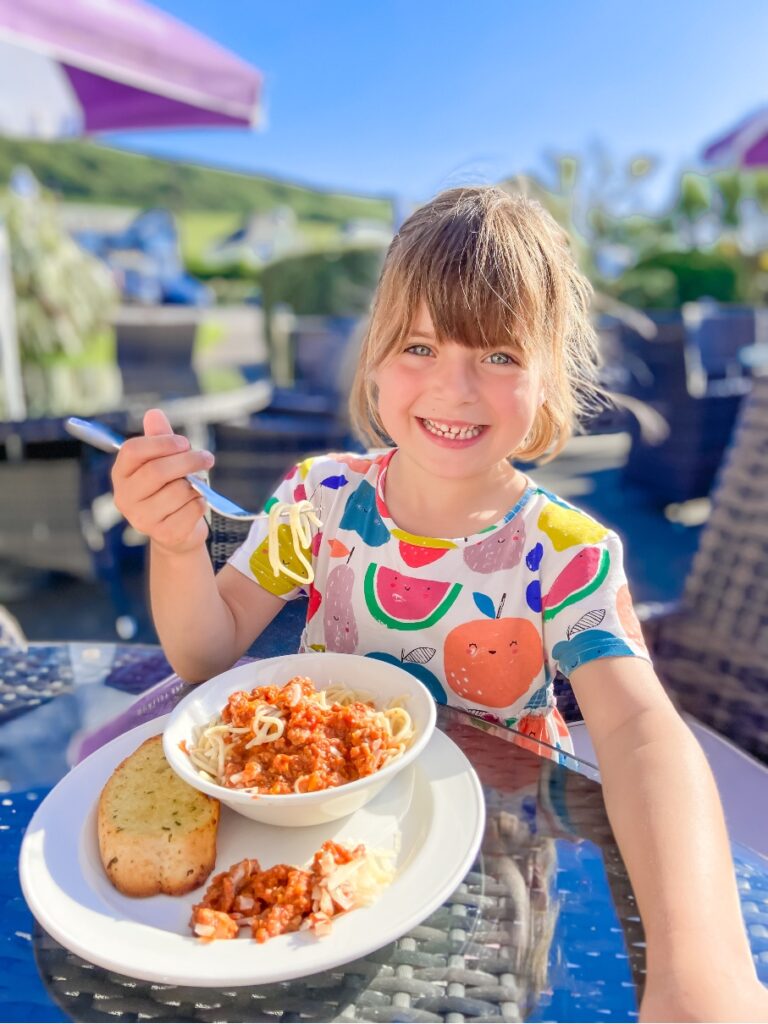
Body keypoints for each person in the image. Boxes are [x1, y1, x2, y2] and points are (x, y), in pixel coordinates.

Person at [112, 186, 767, 1021]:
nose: (454, 388)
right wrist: (175, 549)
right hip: (313, 858)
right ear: (375, 362)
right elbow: (208, 654)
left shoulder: (563, 552)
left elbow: (642, 732)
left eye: (497, 356)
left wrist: (702, 967)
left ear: (546, 380)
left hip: (492, 875)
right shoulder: (320, 500)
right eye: (419, 345)